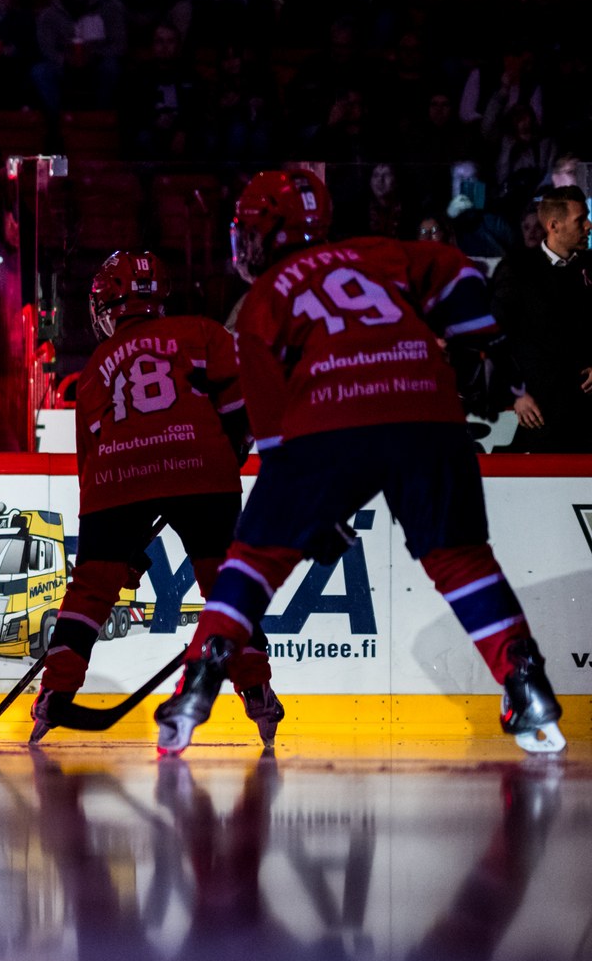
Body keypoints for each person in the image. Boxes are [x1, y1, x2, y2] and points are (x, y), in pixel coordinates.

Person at [155, 169, 567, 755]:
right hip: (426, 405)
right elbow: (456, 270)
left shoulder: (261, 302)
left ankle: (200, 680)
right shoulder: (376, 252)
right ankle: (526, 684)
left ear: (266, 234)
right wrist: (489, 342)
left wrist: (309, 515)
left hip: (332, 413)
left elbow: (274, 440)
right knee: (461, 559)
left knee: (255, 557)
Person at [31, 251, 281, 741]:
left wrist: (115, 551)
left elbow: (90, 461)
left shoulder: (98, 365)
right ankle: (257, 693)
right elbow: (241, 399)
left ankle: (54, 694)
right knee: (227, 587)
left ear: (107, 308)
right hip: (201, 464)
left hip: (119, 473)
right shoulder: (203, 332)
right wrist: (230, 449)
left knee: (90, 590)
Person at [489, 185, 592, 452]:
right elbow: (494, 336)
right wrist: (517, 393)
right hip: (541, 416)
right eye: (580, 220)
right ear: (554, 225)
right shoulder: (517, 270)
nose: (589, 226)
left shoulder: (590, 268)